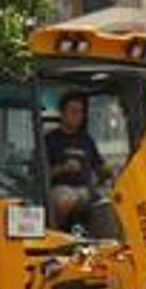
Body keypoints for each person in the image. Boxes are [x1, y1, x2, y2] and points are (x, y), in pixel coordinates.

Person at [44, 91, 109, 229]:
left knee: (114, 203)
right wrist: (63, 168)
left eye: (80, 112)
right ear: (62, 113)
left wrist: (107, 171)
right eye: (73, 112)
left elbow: (99, 166)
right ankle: (57, 232)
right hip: (59, 189)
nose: (78, 116)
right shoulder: (50, 140)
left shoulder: (86, 140)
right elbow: (40, 174)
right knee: (65, 199)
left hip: (86, 190)